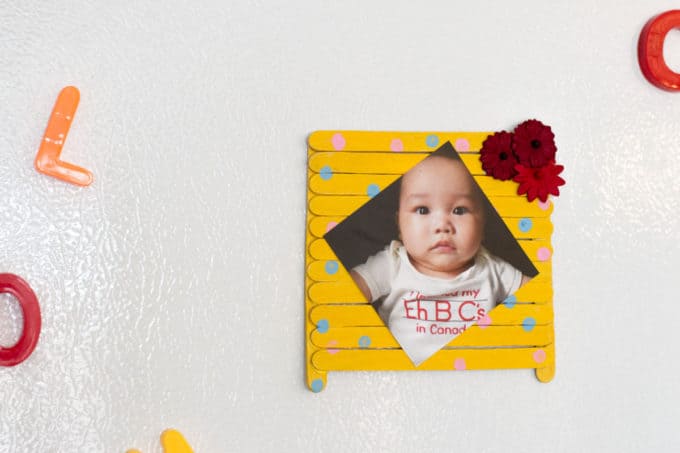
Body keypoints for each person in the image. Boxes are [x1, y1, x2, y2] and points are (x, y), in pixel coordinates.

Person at [350, 153, 530, 366]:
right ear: (399, 225)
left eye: (459, 210)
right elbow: (339, 296)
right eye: (423, 210)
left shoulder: (492, 269)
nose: (442, 225)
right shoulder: (392, 264)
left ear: (483, 226)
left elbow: (540, 298)